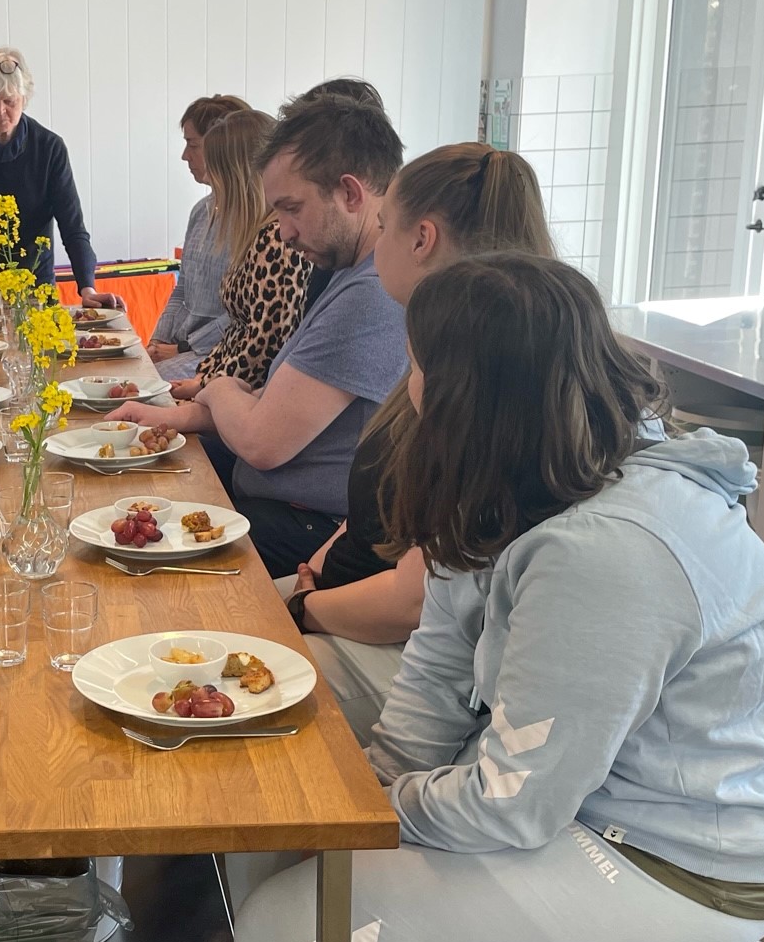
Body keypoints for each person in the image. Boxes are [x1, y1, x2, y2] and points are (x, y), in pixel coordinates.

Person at [185, 254, 764, 942]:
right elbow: (437, 679)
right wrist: (361, 787)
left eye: (418, 364)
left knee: (286, 934)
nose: (406, 387)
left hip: (680, 870)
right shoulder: (517, 480)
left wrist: (366, 805)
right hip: (592, 809)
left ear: (468, 392)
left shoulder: (610, 552)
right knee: (276, 794)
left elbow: (512, 806)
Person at [281, 143, 555, 740]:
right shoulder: (439, 339)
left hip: (416, 655)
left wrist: (304, 608)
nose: (374, 245)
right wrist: (315, 571)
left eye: (382, 228)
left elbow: (415, 602)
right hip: (351, 604)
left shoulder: (485, 369)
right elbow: (380, 506)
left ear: (422, 239)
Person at [112, 95, 407, 577]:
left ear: (350, 194)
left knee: (133, 556)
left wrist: (218, 388)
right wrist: (182, 415)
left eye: (292, 209)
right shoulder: (345, 272)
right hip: (278, 500)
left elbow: (261, 441)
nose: (284, 232)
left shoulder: (369, 294)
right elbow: (277, 401)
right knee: (135, 490)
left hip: (307, 524)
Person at [0, 46, 120, 308]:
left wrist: (87, 288)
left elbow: (73, 228)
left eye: (9, 102)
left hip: (34, 291)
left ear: (24, 98)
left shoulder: (50, 148)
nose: (0, 111)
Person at [167, 108, 313, 401]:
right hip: (225, 382)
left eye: (215, 172)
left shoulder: (275, 240)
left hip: (247, 395)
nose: (210, 182)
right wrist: (204, 378)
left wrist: (205, 386)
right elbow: (236, 333)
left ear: (235, 177)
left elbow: (264, 346)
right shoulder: (254, 234)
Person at [149, 93, 250, 378]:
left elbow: (244, 314)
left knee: (149, 384)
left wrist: (185, 348)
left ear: (222, 147)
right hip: (184, 346)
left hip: (217, 354)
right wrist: (157, 340)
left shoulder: (252, 222)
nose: (185, 156)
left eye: (193, 145)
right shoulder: (201, 211)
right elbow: (182, 288)